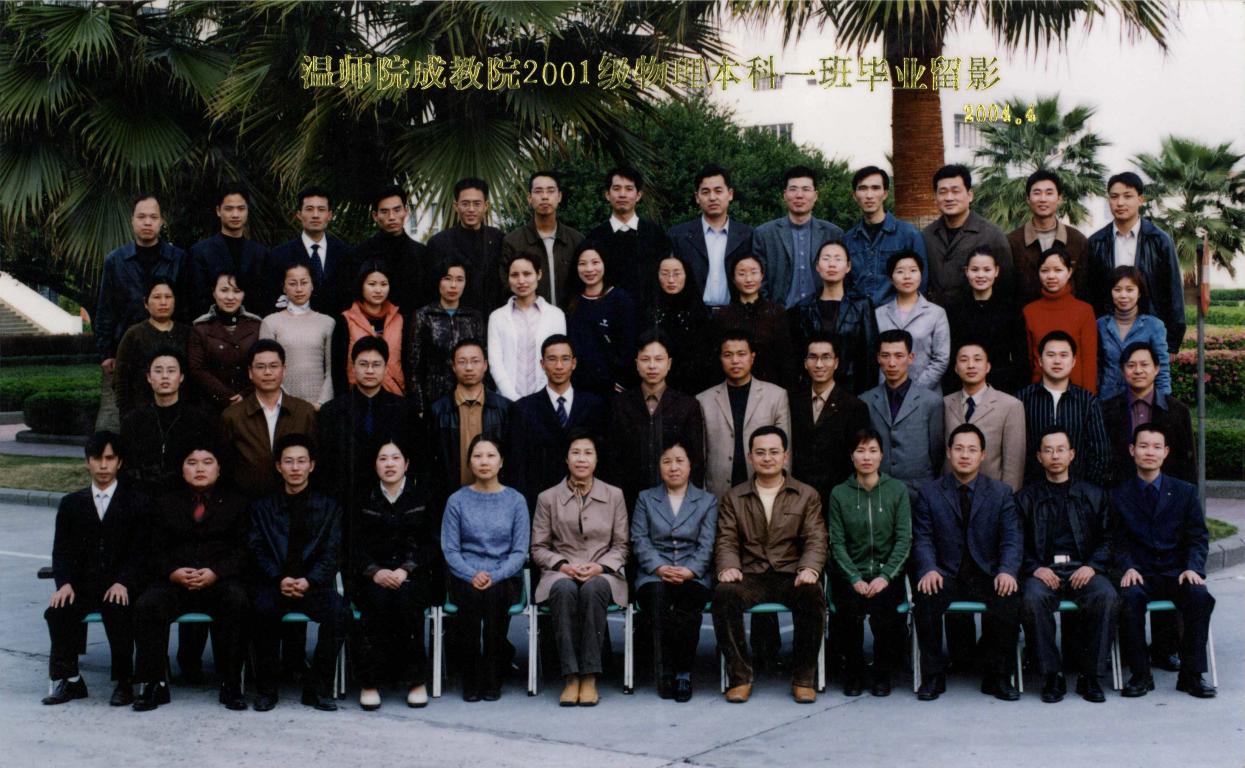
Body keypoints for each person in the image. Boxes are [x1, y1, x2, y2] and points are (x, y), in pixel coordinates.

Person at [131, 440, 250, 711]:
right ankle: (154, 683)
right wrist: (172, 572)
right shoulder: (164, 503)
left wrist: (216, 572)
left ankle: (231, 683)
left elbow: (243, 550)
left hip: (218, 581)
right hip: (176, 582)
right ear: (182, 469)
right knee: (147, 605)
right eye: (192, 463)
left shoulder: (237, 503)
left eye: (207, 463)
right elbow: (152, 549)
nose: (200, 469)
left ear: (219, 469)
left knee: (238, 601)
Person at [712, 426, 827, 704]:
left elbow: (816, 537)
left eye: (774, 452)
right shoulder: (734, 497)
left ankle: (803, 679)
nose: (767, 458)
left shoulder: (806, 494)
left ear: (785, 456)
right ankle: (740, 677)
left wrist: (809, 568)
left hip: (791, 573)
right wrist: (728, 566)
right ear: (750, 457)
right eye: (760, 452)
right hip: (751, 575)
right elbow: (726, 539)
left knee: (812, 594)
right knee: (724, 594)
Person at [911, 424, 1023, 702]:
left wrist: (1007, 571)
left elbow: (1011, 538)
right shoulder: (930, 493)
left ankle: (998, 677)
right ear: (949, 453)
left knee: (1009, 595)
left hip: (986, 574)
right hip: (946, 574)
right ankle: (933, 676)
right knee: (926, 594)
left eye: (972, 450)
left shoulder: (1000, 492)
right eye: (959, 449)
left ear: (982, 455)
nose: (965, 455)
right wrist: (929, 568)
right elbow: (922, 538)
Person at [247, 433, 350, 712]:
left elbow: (333, 552)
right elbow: (256, 549)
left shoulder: (329, 507)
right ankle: (267, 690)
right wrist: (278, 578)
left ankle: (317, 689)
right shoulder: (262, 508)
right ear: (278, 466)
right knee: (260, 610)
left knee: (339, 612)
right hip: (274, 584)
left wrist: (310, 580)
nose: (295, 468)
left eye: (301, 461)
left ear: (311, 466)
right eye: (289, 461)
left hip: (312, 585)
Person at [1113, 424, 1216, 699]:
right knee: (1129, 598)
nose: (1150, 452)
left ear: (1166, 452)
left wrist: (1193, 568)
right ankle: (1140, 674)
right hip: (1140, 572)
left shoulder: (1185, 491)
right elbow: (1115, 540)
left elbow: (1198, 537)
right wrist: (1127, 566)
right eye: (1143, 446)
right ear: (1132, 450)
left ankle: (1191, 675)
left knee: (1199, 596)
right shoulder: (1118, 494)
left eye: (1156, 447)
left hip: (1176, 571)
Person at [1016, 427, 1117, 704]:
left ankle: (1091, 675)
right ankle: (1052, 675)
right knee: (1032, 599)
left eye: (1061, 449)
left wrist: (1093, 566)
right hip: (1043, 570)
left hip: (1083, 568)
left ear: (1072, 454)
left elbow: (1109, 538)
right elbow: (1016, 542)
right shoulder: (1025, 498)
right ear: (1039, 456)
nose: (1055, 456)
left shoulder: (1094, 495)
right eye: (1048, 450)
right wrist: (1035, 568)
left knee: (1106, 595)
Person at [41, 432, 142, 707]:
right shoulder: (71, 503)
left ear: (119, 462)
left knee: (118, 608)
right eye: (97, 458)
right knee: (58, 611)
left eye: (110, 458)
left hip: (120, 585)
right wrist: (64, 584)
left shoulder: (136, 502)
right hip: (83, 586)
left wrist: (124, 582)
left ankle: (124, 681)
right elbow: (61, 551)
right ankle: (71, 680)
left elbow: (140, 551)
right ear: (87, 462)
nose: (103, 465)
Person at [531, 432, 630, 707]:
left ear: (596, 459)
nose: (581, 459)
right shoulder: (547, 498)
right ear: (566, 459)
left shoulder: (614, 495)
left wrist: (599, 567)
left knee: (593, 588)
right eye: (575, 452)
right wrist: (563, 566)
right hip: (560, 572)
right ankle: (570, 676)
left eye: (588, 453)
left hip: (603, 573)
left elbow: (622, 546)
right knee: (563, 590)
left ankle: (589, 676)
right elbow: (538, 547)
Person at [440, 436, 530, 701]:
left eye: (491, 456)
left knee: (493, 597)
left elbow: (519, 551)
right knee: (470, 598)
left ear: (501, 462)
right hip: (465, 574)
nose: (484, 462)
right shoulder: (457, 500)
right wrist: (471, 574)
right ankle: (471, 676)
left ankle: (492, 676)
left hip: (503, 575)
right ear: (469, 462)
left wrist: (496, 574)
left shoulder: (516, 500)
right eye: (477, 456)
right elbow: (450, 549)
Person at [352, 438, 438, 710]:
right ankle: (370, 683)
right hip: (372, 577)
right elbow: (353, 545)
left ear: (406, 464)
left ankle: (415, 682)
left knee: (406, 602)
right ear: (375, 465)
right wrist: (375, 572)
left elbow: (431, 544)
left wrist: (404, 569)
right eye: (383, 458)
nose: (389, 464)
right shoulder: (362, 497)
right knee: (374, 602)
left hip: (412, 575)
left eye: (395, 458)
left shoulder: (422, 496)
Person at [826, 427, 911, 697]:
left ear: (882, 455)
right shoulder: (839, 494)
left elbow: (904, 539)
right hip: (852, 574)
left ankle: (882, 673)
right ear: (851, 456)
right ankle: (854, 672)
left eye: (873, 451)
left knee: (886, 613)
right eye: (860, 451)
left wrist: (885, 577)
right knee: (848, 612)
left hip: (886, 574)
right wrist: (854, 577)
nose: (867, 457)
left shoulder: (897, 490)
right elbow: (836, 543)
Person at [630, 439, 717, 702]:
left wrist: (691, 570)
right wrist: (659, 567)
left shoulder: (707, 501)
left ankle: (683, 672)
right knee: (658, 602)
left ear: (690, 466)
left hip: (693, 573)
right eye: (667, 461)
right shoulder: (646, 498)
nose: (673, 467)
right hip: (654, 573)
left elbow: (707, 543)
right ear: (659, 466)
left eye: (680, 461)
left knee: (687, 605)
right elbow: (639, 538)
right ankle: (665, 670)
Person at [94, 194, 190, 430]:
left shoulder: (178, 259)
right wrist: (106, 352)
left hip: (170, 351)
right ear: (132, 220)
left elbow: (186, 308)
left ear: (162, 221)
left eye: (153, 217)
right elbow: (106, 309)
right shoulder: (115, 261)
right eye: (141, 217)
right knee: (120, 420)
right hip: (126, 352)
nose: (147, 222)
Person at [316, 336, 421, 508]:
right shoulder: (332, 411)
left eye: (376, 364)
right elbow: (325, 466)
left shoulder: (405, 410)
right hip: (345, 503)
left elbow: (417, 460)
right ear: (353, 368)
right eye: (363, 364)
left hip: (392, 503)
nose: (370, 370)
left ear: (386, 368)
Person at [606, 331, 706, 509]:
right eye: (645, 359)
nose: (652, 366)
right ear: (637, 364)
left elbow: (696, 461)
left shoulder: (687, 405)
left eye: (659, 359)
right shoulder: (620, 404)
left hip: (675, 501)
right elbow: (613, 460)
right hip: (629, 500)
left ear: (669, 364)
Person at [1087, 172, 1185, 352]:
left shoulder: (1160, 241)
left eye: (1127, 196)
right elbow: (1089, 294)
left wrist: (1172, 344)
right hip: (1108, 336)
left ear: (1140, 200)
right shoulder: (1095, 242)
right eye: (1114, 197)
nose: (1120, 203)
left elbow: (1173, 291)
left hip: (1149, 333)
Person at [508, 335, 605, 510]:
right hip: (539, 504)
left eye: (565, 359)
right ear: (542, 364)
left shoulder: (594, 406)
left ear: (574, 363)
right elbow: (518, 466)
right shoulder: (523, 409)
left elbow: (604, 461)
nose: (559, 366)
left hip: (587, 503)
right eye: (552, 359)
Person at [697, 328, 791, 498]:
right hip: (718, 494)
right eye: (728, 355)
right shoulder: (704, 400)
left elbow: (785, 452)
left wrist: (782, 497)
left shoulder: (776, 396)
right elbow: (701, 456)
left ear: (752, 357)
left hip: (765, 492)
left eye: (741, 354)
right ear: (720, 358)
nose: (735, 361)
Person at [220, 339, 317, 499]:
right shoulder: (233, 416)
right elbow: (226, 465)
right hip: (248, 502)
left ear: (284, 370)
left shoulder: (304, 412)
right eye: (260, 367)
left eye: (274, 366)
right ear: (250, 372)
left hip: (296, 500)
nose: (267, 372)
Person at [120, 347, 220, 498]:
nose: (165, 376)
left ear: (181, 377)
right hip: (143, 498)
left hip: (186, 498)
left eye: (171, 371)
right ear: (149, 377)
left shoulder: (200, 419)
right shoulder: (133, 421)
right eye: (158, 371)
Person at [1017, 331, 1110, 487]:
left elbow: (1101, 454)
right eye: (1051, 355)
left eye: (1063, 355)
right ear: (1040, 361)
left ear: (1073, 361)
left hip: (1079, 491)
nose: (1057, 361)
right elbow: (1016, 452)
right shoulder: (1022, 399)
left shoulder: (1088, 401)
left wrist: (1086, 492)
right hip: (1033, 492)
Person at [861, 329, 944, 500]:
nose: (892, 363)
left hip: (919, 492)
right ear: (878, 358)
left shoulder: (931, 401)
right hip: (876, 490)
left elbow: (937, 452)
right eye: (885, 356)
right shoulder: (865, 401)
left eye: (899, 356)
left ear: (911, 357)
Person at [789, 332, 872, 504]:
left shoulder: (854, 406)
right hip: (799, 496)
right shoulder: (793, 402)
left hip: (838, 497)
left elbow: (858, 458)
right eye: (813, 357)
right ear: (805, 363)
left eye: (826, 357)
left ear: (836, 363)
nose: (819, 364)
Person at [788, 238, 879, 394]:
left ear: (848, 267)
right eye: (826, 259)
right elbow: (797, 356)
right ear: (817, 266)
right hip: (813, 390)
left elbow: (870, 356)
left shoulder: (862, 305)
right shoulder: (803, 308)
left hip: (852, 389)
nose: (831, 264)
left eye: (838, 259)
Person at [426, 339, 511, 504]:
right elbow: (429, 464)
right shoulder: (437, 411)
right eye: (462, 362)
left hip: (495, 499)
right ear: (453, 366)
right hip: (450, 499)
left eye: (475, 361)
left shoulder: (504, 408)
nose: (469, 367)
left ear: (485, 365)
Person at [1102, 342, 1195, 487]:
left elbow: (1187, 462)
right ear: (1122, 370)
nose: (1138, 371)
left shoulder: (1177, 411)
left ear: (1156, 369)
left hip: (1165, 493)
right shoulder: (1106, 410)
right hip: (1118, 492)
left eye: (1144, 364)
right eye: (1131, 365)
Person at [752, 165, 845, 308]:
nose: (799, 195)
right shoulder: (764, 234)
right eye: (793, 189)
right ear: (785, 195)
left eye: (806, 189)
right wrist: (770, 312)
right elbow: (758, 280)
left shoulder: (833, 233)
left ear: (815, 195)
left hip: (822, 314)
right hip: (779, 314)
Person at [921, 164, 1014, 307]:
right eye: (943, 192)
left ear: (970, 195)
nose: (949, 198)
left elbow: (1007, 285)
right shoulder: (927, 235)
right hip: (936, 316)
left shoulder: (993, 235)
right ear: (935, 197)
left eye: (955, 191)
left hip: (978, 316)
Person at [404, 257, 486, 416]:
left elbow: (482, 360)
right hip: (433, 400)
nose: (453, 285)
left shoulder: (474, 317)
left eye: (459, 279)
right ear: (438, 281)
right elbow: (414, 366)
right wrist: (420, 406)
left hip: (469, 396)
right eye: (447, 278)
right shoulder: (424, 316)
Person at [667, 164, 755, 309]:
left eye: (718, 191)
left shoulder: (748, 235)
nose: (712, 197)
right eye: (706, 192)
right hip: (692, 316)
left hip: (736, 315)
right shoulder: (678, 236)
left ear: (730, 194)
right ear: (697, 197)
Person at [944, 246, 1029, 394]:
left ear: (996, 271)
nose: (980, 275)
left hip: (1001, 386)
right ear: (966, 271)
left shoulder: (1010, 309)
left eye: (987, 270)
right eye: (975, 270)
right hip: (963, 386)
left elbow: (1020, 355)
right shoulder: (954, 309)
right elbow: (950, 354)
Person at [943, 342, 1026, 492]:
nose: (971, 365)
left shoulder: (1010, 405)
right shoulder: (944, 403)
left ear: (988, 367)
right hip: (950, 492)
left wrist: (1007, 497)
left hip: (992, 495)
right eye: (964, 360)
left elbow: (1014, 464)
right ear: (956, 368)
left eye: (977, 359)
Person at [584, 166, 671, 304]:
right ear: (607, 195)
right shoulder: (594, 237)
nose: (622, 194)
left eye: (629, 189)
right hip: (607, 312)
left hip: (648, 313)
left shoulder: (656, 234)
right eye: (617, 188)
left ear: (638, 195)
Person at [842, 165, 928, 306]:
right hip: (858, 315)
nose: (869, 195)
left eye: (875, 188)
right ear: (854, 195)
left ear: (885, 194)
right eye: (863, 188)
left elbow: (921, 282)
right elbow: (844, 284)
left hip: (896, 315)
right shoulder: (848, 239)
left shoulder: (909, 235)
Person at [262, 186, 355, 315]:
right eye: (309, 209)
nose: (315, 215)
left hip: (338, 324)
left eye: (321, 209)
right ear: (299, 214)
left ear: (329, 215)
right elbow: (270, 300)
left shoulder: (346, 253)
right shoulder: (279, 255)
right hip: (294, 324)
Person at [487, 253, 567, 402]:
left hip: (545, 400)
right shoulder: (497, 317)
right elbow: (495, 363)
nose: (521, 281)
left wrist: (537, 399)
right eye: (514, 275)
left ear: (539, 274)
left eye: (527, 274)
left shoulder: (555, 315)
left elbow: (556, 359)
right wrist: (514, 399)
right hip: (506, 401)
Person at [564, 241, 637, 399]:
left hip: (611, 391)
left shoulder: (620, 300)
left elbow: (629, 347)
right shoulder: (571, 301)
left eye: (595, 262)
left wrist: (621, 383)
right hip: (578, 389)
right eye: (582, 264)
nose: (589, 269)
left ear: (605, 263)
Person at [1007, 170, 1091, 305]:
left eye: (1049, 193)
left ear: (1059, 199)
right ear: (1028, 199)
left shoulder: (1077, 240)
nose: (1043, 199)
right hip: (1024, 316)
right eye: (1037, 193)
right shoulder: (1012, 241)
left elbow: (1083, 289)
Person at [713, 252, 796, 389]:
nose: (748, 279)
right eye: (742, 274)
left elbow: (786, 359)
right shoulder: (723, 316)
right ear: (733, 278)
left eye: (754, 272)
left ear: (762, 275)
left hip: (770, 387)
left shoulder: (776, 313)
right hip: (732, 387)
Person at [260, 259, 335, 408]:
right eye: (292, 283)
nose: (299, 289)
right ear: (284, 287)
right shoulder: (270, 322)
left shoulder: (327, 322)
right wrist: (288, 403)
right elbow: (268, 369)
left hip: (319, 406)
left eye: (304, 282)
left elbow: (331, 371)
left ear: (312, 285)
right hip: (282, 406)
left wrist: (322, 403)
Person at [502, 170, 584, 307]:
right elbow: (507, 286)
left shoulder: (576, 240)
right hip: (527, 317)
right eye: (538, 191)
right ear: (529, 198)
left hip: (569, 318)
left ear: (559, 196)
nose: (545, 197)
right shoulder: (513, 242)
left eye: (550, 191)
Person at [113, 278, 192, 419]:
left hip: (182, 414)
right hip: (142, 414)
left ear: (175, 301)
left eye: (168, 297)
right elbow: (121, 380)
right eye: (157, 297)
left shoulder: (187, 333)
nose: (163, 302)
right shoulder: (134, 334)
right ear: (146, 303)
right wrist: (127, 415)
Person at [1023, 245, 1098, 393]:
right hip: (1038, 393)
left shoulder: (1084, 311)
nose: (1051, 276)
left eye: (1058, 270)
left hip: (1076, 394)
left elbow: (1089, 360)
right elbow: (1030, 360)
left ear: (1069, 272)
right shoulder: (1029, 312)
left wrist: (1088, 399)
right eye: (1045, 271)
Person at [427, 177, 506, 314]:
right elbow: (432, 290)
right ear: (455, 206)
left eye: (477, 204)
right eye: (465, 204)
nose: (471, 209)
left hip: (493, 317)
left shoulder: (498, 239)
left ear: (486, 206)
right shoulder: (438, 243)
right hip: (455, 319)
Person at [188, 270, 264, 412]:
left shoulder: (257, 325)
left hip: (251, 402)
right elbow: (197, 369)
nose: (230, 297)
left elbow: (264, 365)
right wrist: (227, 396)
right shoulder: (200, 328)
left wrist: (245, 394)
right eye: (224, 290)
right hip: (211, 405)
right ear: (214, 292)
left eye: (237, 291)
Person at [189, 183, 268, 318]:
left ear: (247, 210)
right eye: (229, 209)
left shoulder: (260, 253)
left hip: (252, 325)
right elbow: (197, 300)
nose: (235, 214)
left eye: (241, 208)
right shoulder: (200, 252)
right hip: (212, 326)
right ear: (218, 211)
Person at [874, 250, 949, 391]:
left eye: (913, 270)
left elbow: (941, 359)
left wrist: (914, 391)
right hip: (886, 391)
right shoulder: (879, 314)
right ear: (891, 278)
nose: (907, 276)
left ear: (921, 275)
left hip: (926, 392)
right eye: (900, 271)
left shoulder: (936, 313)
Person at [643, 252, 714, 395]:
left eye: (677, 274)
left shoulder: (698, 311)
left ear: (686, 275)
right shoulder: (647, 310)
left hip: (692, 383)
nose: (671, 280)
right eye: (665, 274)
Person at [353, 184, 432, 312]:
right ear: (375, 216)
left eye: (397, 210)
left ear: (405, 211)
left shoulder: (422, 253)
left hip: (414, 322)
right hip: (372, 322)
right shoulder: (360, 253)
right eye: (384, 211)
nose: (391, 217)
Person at [331, 260, 405, 396]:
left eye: (384, 284)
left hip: (395, 395)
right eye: (372, 284)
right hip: (356, 396)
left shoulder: (399, 319)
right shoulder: (346, 320)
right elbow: (338, 369)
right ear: (361, 286)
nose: (378, 290)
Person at [1098, 266, 1171, 400]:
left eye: (1129, 289)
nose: (1123, 295)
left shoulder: (1154, 326)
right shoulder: (1100, 325)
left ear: (1139, 293)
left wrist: (1164, 403)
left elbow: (1162, 369)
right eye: (1117, 290)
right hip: (1107, 400)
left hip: (1142, 399)